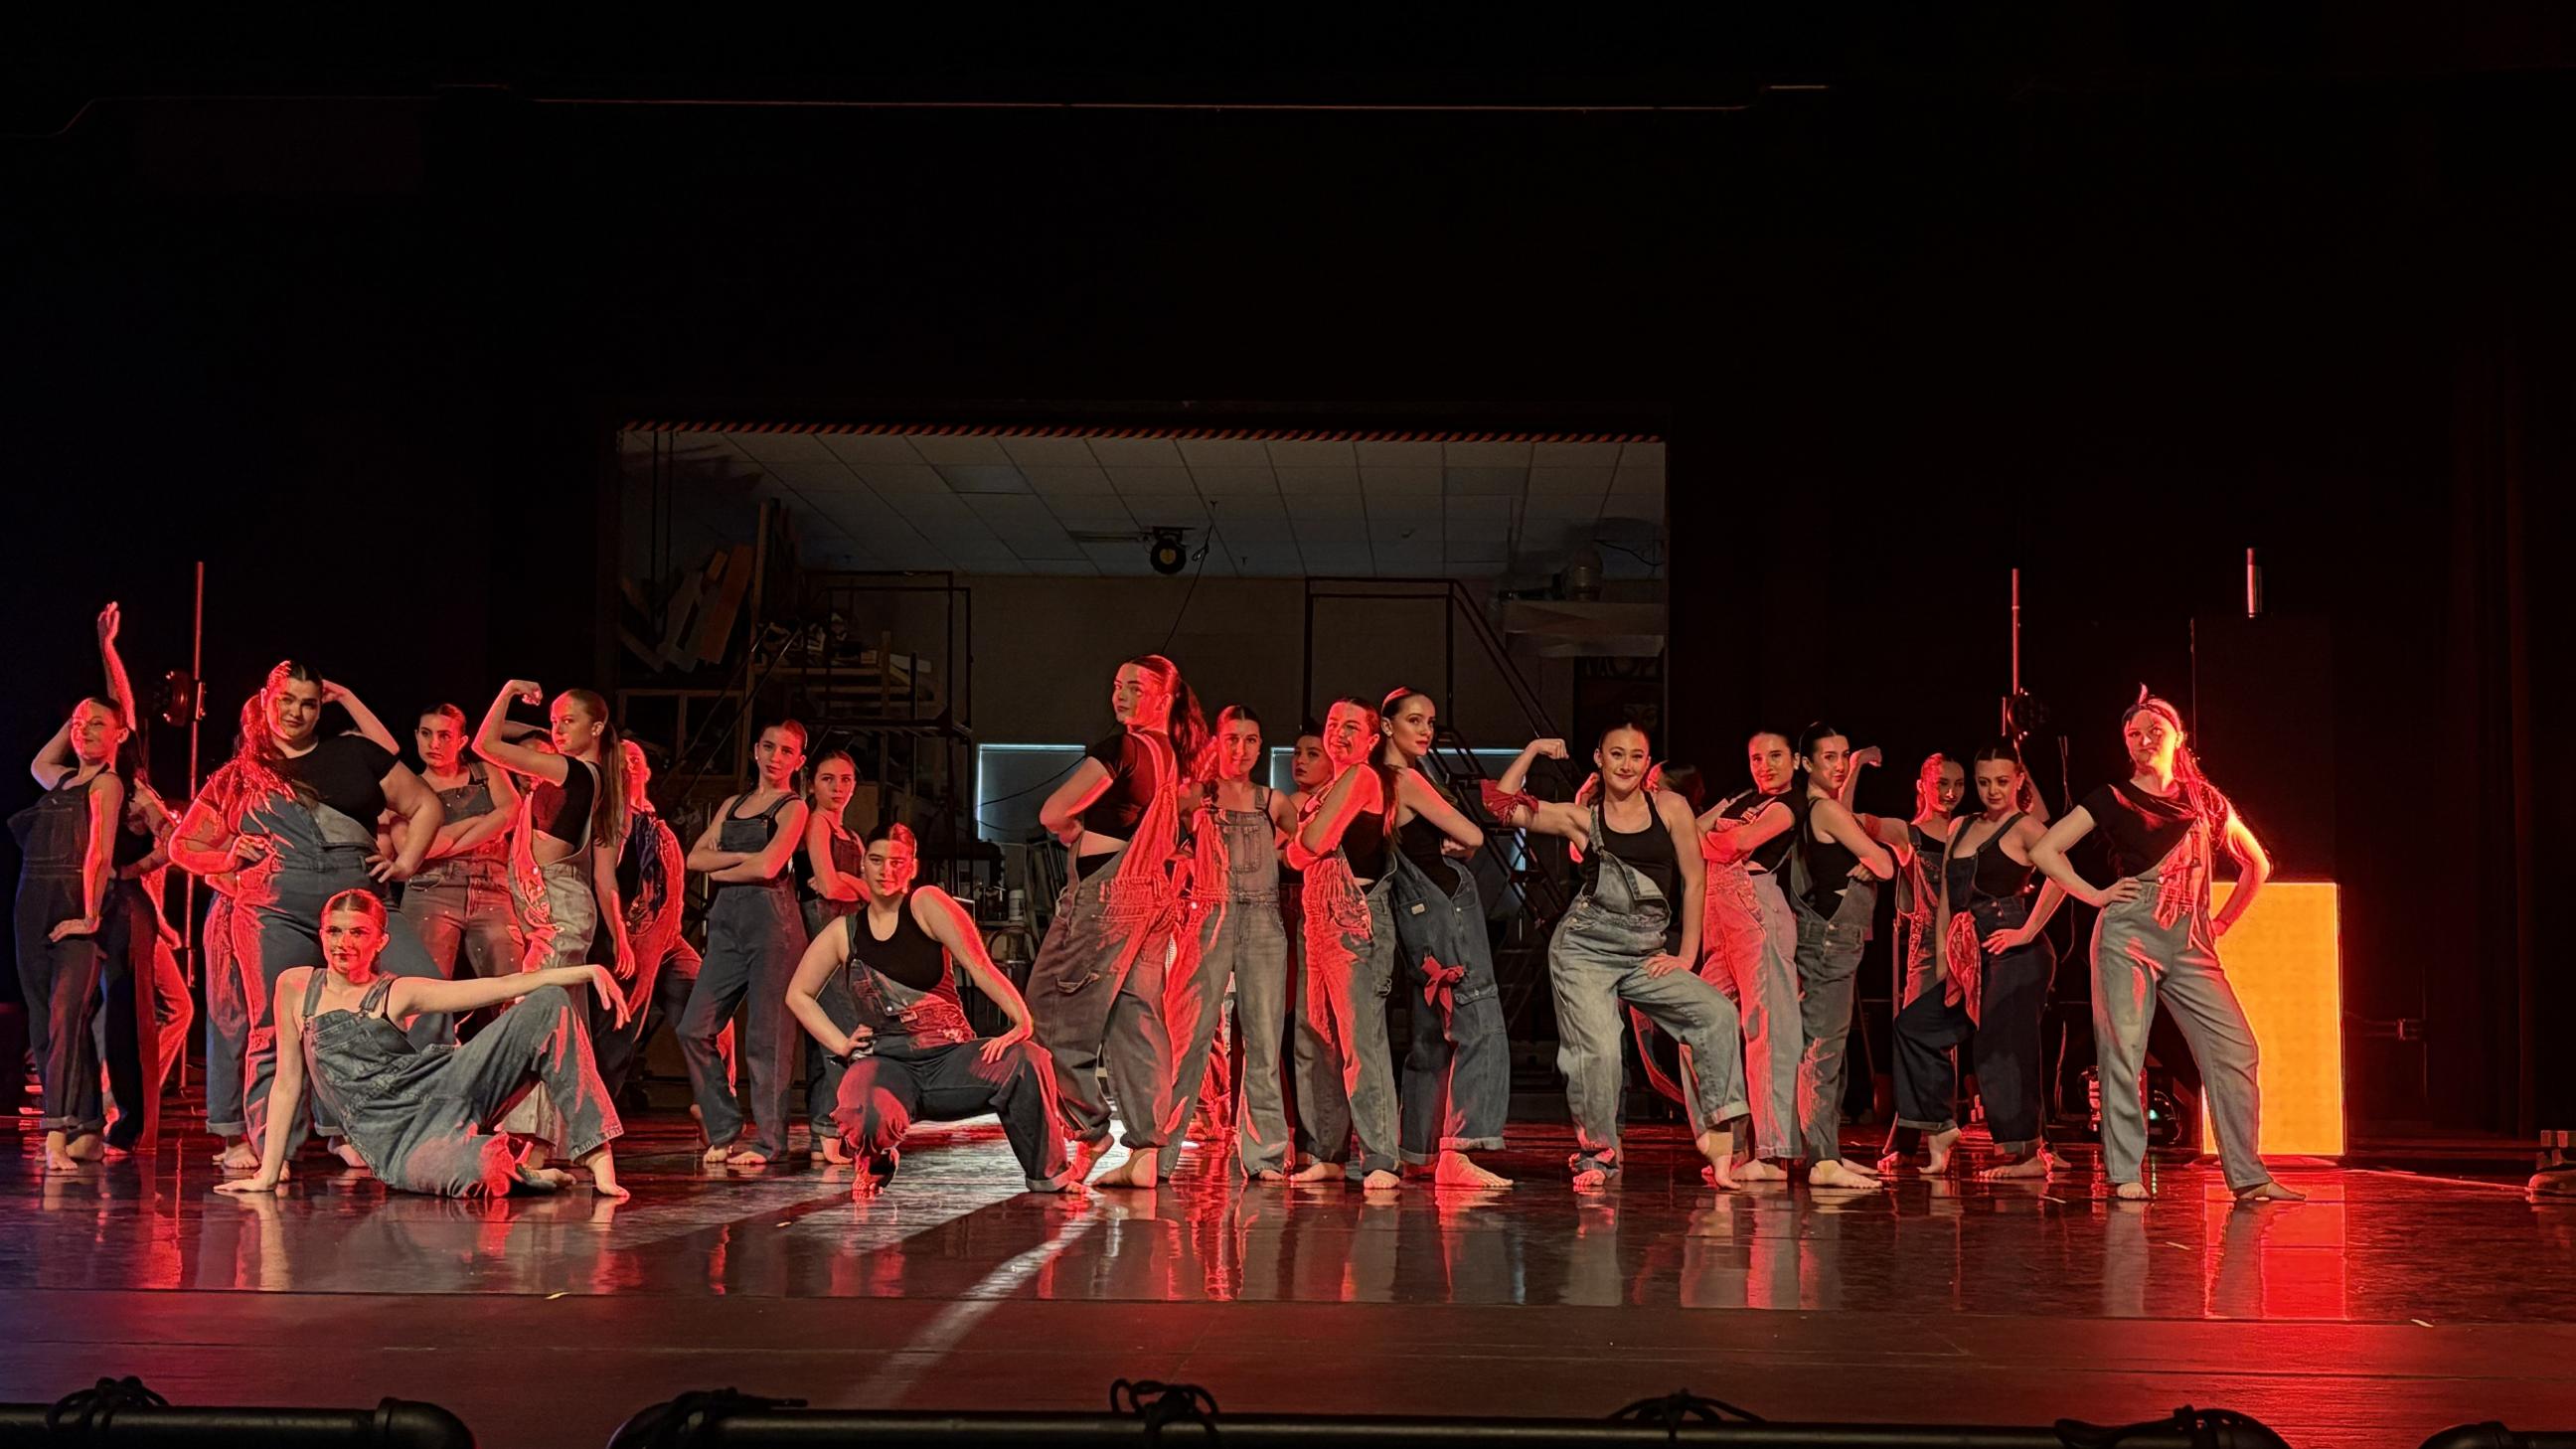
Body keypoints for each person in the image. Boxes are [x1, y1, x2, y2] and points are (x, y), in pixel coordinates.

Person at [2027, 692, 2304, 1204]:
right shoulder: (2112, 797)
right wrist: (2095, 896)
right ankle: (2124, 1172)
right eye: (2134, 733)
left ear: (2178, 738)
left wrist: (2221, 920)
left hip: (2191, 937)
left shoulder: (2204, 800)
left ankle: (2249, 1175)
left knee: (2237, 1049)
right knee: (2123, 1053)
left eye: (2156, 730)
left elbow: (2255, 864)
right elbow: (2045, 849)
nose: (2145, 740)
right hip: (2129, 932)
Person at [170, 663, 445, 1171]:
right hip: (275, 905)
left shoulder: (354, 752)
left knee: (425, 995)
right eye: (287, 700)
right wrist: (227, 859)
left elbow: (425, 803)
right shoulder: (240, 774)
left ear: (321, 706)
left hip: (357, 899)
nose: (296, 712)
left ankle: (380, 1125)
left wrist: (406, 863)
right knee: (276, 1026)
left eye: (309, 703)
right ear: (266, 699)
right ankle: (274, 1148)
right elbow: (181, 845)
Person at [215, 889, 629, 1200]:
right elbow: (287, 1083)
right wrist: (268, 1172)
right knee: (480, 1171)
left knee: (547, 1004)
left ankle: (596, 1154)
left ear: (380, 941)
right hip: (394, 1136)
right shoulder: (295, 986)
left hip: (443, 1087)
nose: (344, 943)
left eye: (358, 933)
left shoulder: (399, 992)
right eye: (334, 932)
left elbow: (499, 986)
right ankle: (520, 1169)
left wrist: (585, 971)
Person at [1494, 721, 1746, 1190]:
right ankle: (1598, 1154)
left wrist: (1687, 954)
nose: (1626, 764)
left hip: (1645, 950)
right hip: (1585, 949)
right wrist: (1530, 750)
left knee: (1715, 1014)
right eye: (1617, 754)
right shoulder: (1581, 816)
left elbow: (1694, 879)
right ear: (1599, 758)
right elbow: (1503, 808)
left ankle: (1720, 1145)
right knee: (1600, 1050)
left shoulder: (1669, 807)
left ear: (1648, 764)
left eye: (1636, 755)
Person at [787, 824, 1080, 1198]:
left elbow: (978, 964)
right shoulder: (844, 933)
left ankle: (1050, 1177)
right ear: (862, 865)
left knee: (1027, 1060)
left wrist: (1021, 1019)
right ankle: (877, 1159)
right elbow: (798, 994)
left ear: (911, 867)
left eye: (897, 862)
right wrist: (841, 1043)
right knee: (863, 1107)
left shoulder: (926, 903)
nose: (885, 870)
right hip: (889, 1064)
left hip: (949, 1061)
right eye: (876, 860)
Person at [1030, 655, 1208, 1190]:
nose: (1121, 695)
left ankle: (1087, 1129)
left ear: (1165, 697)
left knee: (1048, 1014)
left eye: (1136, 687)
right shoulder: (1170, 755)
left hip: (1108, 898)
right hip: (1150, 898)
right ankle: (1148, 1151)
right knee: (1136, 1022)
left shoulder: (1124, 747)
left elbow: (1052, 813)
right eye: (1117, 685)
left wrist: (1075, 822)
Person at [1884, 745, 2068, 1179]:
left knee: (2001, 1047)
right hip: (1970, 950)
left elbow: (2061, 877)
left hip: (2016, 949)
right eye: (1984, 782)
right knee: (1914, 1028)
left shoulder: (2025, 827)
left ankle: (2023, 1154)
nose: (1992, 790)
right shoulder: (1962, 826)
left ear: (2018, 780)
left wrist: (2026, 931)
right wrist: (1949, 962)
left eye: (2002, 781)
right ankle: (1940, 1125)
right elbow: (1949, 898)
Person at [473, 680, 633, 1174]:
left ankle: (540, 1145)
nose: (556, 729)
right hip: (562, 912)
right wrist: (618, 934)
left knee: (536, 1026)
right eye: (554, 721)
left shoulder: (571, 771)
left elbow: (484, 745)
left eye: (569, 721)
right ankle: (562, 1144)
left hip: (557, 918)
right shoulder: (598, 781)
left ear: (597, 727)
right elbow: (603, 876)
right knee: (566, 1035)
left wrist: (506, 691)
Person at [1380, 689, 1513, 1189]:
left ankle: (1418, 1149)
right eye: (1414, 720)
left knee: (1430, 1031)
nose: (1426, 731)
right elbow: (1475, 837)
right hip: (1442, 905)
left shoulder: (1378, 781)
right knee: (1477, 1021)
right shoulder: (1407, 779)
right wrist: (1450, 841)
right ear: (1387, 725)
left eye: (1431, 722)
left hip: (1416, 912)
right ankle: (1462, 1148)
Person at [1163, 706, 1296, 1181]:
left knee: (1263, 1040)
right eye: (1232, 739)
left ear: (1261, 746)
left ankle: (1264, 1155)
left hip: (1263, 921)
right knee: (1187, 1039)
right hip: (1207, 915)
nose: (1241, 749)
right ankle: (1158, 1154)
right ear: (1217, 742)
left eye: (1251, 740)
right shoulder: (1197, 795)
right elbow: (1161, 838)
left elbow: (1308, 845)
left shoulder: (1273, 801)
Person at [1281, 697, 1408, 1191]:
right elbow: (1298, 850)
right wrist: (1301, 844)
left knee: (1361, 1042)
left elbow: (1307, 846)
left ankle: (1381, 1158)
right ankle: (1327, 1152)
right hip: (1316, 917)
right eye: (1334, 724)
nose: (1338, 733)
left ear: (1373, 740)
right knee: (1314, 1040)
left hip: (1353, 919)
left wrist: (1301, 843)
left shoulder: (1362, 778)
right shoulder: (1331, 785)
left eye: (1352, 726)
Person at [681, 719, 812, 1167]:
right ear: (755, 749)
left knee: (767, 1037)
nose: (776, 758)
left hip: (772, 923)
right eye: (769, 747)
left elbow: (770, 867)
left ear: (799, 761)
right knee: (693, 1028)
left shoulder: (793, 808)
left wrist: (719, 870)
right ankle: (722, 1127)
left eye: (787, 751)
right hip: (726, 925)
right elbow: (694, 857)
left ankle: (771, 1143)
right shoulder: (733, 803)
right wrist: (737, 859)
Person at [15, 670, 128, 1170]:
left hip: (75, 909)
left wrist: (87, 916)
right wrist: (77, 717)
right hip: (31, 905)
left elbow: (98, 855)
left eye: (97, 724)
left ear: (119, 734)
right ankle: (85, 1127)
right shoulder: (60, 778)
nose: (84, 731)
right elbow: (40, 760)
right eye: (80, 725)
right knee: (48, 1021)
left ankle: (56, 1134)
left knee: (65, 1016)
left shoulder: (108, 782)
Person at [1781, 723, 1897, 1188]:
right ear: (1807, 763)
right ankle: (1821, 1158)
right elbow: (1888, 865)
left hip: (1831, 939)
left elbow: (1848, 822)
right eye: (1828, 757)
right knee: (1823, 1051)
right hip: (1828, 940)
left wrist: (1860, 767)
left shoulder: (1819, 807)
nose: (1838, 763)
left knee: (1834, 1050)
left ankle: (1826, 1149)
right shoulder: (1824, 809)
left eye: (1843, 754)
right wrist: (1875, 857)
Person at [589, 740, 730, 1102]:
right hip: (633, 934)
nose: (627, 767)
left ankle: (714, 1107)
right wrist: (621, 936)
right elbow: (608, 881)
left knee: (713, 1008)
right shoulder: (612, 818)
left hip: (669, 938)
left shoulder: (657, 824)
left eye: (634, 760)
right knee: (621, 1026)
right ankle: (592, 1118)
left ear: (647, 770)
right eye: (618, 762)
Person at [1695, 730, 1805, 1183]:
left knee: (1767, 1032)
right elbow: (1694, 831)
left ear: (1795, 761)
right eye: (1757, 757)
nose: (1766, 765)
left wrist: (1700, 840)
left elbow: (1728, 845)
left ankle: (1773, 1153)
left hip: (1757, 910)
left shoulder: (1790, 803)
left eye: (1775, 756)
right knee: (1697, 1019)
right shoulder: (1739, 796)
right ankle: (1726, 1142)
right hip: (1718, 918)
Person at [1873, 753, 1965, 1170]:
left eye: (1959, 785)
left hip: (1971, 942)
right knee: (1917, 1038)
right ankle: (1912, 1137)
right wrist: (1854, 768)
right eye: (1942, 783)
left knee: (1996, 1036)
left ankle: (2030, 1140)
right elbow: (1851, 819)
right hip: (1927, 947)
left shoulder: (1969, 830)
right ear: (1922, 784)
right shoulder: (1909, 833)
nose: (1950, 793)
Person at [396, 704, 522, 1003]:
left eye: (444, 735)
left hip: (491, 885)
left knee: (512, 987)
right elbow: (410, 849)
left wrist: (444, 841)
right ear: (415, 736)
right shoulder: (409, 785)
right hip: (431, 887)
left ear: (462, 741)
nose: (434, 744)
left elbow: (513, 810)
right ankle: (430, 1049)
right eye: (426, 734)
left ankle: (509, 1049)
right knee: (423, 991)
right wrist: (478, 823)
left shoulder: (486, 771)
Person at [799, 748, 871, 1162]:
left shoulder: (853, 837)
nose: (838, 788)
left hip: (848, 929)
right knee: (839, 1028)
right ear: (812, 784)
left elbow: (864, 890)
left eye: (845, 780)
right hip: (822, 926)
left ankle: (822, 1132)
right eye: (828, 779)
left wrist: (848, 880)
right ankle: (829, 1129)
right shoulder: (817, 822)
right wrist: (844, 882)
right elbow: (826, 887)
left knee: (830, 1029)